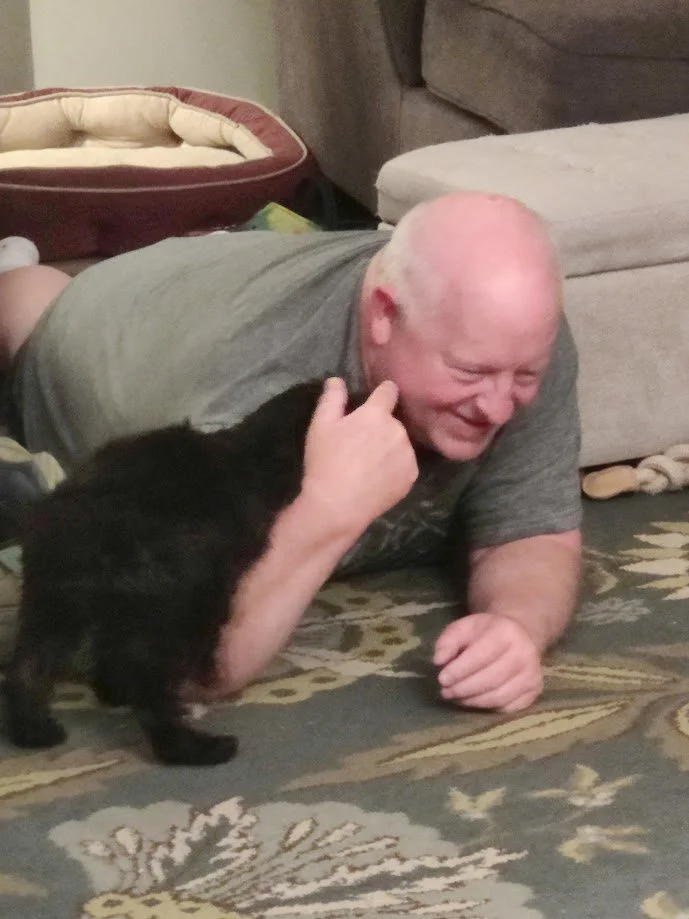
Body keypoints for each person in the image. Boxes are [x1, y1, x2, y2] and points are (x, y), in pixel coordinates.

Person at [0, 192, 582, 713]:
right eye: (471, 373)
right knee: (31, 311)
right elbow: (187, 667)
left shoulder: (512, 338)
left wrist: (517, 626)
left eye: (524, 375)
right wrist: (325, 511)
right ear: (383, 314)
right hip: (101, 323)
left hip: (224, 281)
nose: (501, 408)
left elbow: (532, 532)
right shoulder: (248, 398)